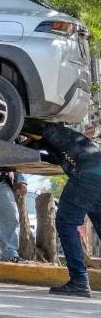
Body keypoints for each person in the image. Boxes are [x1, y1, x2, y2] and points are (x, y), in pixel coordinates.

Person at [25, 122, 101, 298]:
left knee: (66, 223)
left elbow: (37, 132)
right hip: (95, 175)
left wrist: (26, 128)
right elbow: (52, 156)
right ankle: (79, 281)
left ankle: (79, 281)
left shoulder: (51, 129)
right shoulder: (68, 143)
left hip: (88, 175)